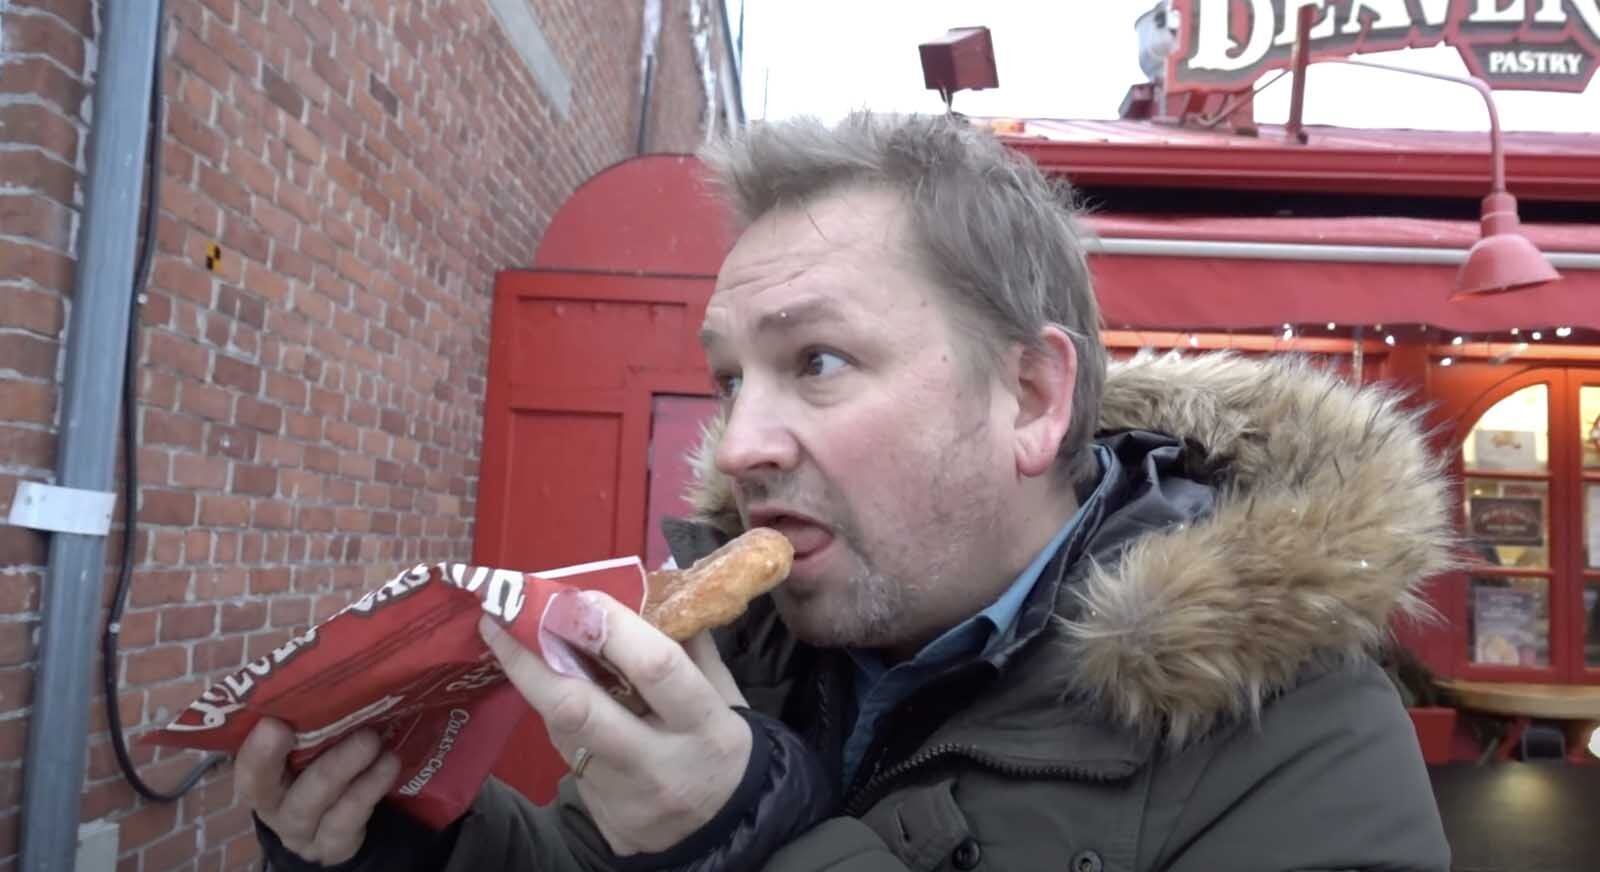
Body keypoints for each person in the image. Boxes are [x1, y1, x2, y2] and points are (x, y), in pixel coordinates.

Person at [243, 112, 1454, 871]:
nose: (742, 442)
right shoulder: (755, 647)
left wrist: (745, 837)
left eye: (815, 361)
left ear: (1030, 397)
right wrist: (403, 841)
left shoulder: (1293, 735)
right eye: (731, 376)